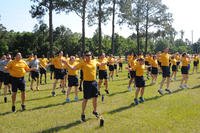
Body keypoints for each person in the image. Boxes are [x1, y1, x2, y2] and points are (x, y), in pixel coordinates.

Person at [64, 51, 107, 122]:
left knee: (95, 98)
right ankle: (83, 113)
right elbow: (72, 68)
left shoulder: (94, 61)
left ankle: (95, 111)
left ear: (91, 55)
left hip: (94, 82)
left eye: (89, 55)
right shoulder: (82, 63)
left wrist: (106, 62)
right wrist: (66, 63)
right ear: (84, 56)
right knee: (85, 99)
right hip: (86, 83)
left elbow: (101, 64)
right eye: (87, 55)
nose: (88, 56)